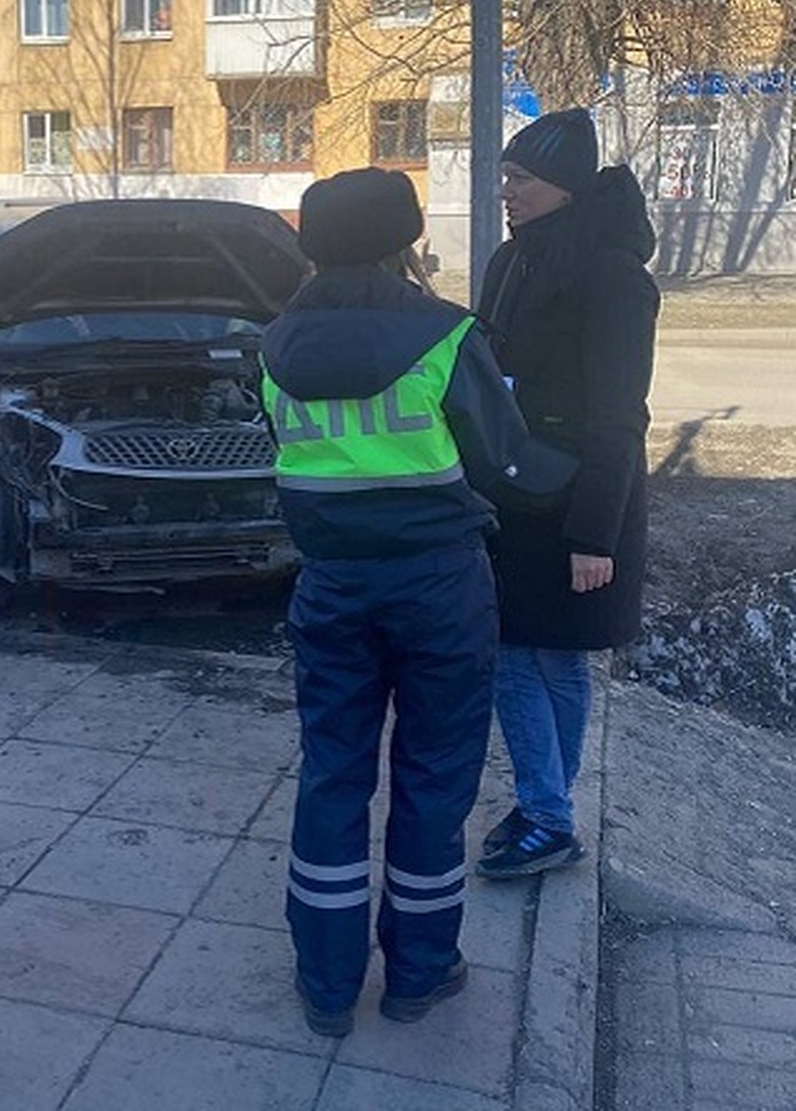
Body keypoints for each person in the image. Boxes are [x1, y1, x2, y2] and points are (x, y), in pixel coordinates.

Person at [260, 166, 576, 1036]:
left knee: (331, 774)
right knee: (435, 780)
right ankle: (420, 973)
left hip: (329, 586)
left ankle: (326, 985)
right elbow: (501, 462)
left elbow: (285, 455)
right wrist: (575, 475)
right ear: (405, 242)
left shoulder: (273, 345)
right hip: (438, 586)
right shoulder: (444, 334)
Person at [474, 109, 659, 879]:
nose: (507, 190)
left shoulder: (615, 278)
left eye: (522, 178)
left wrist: (594, 536)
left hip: (578, 496)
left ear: (566, 188)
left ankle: (548, 815)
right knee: (542, 658)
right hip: (516, 490)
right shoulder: (512, 260)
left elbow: (620, 416)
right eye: (507, 176)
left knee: (526, 657)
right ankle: (548, 807)